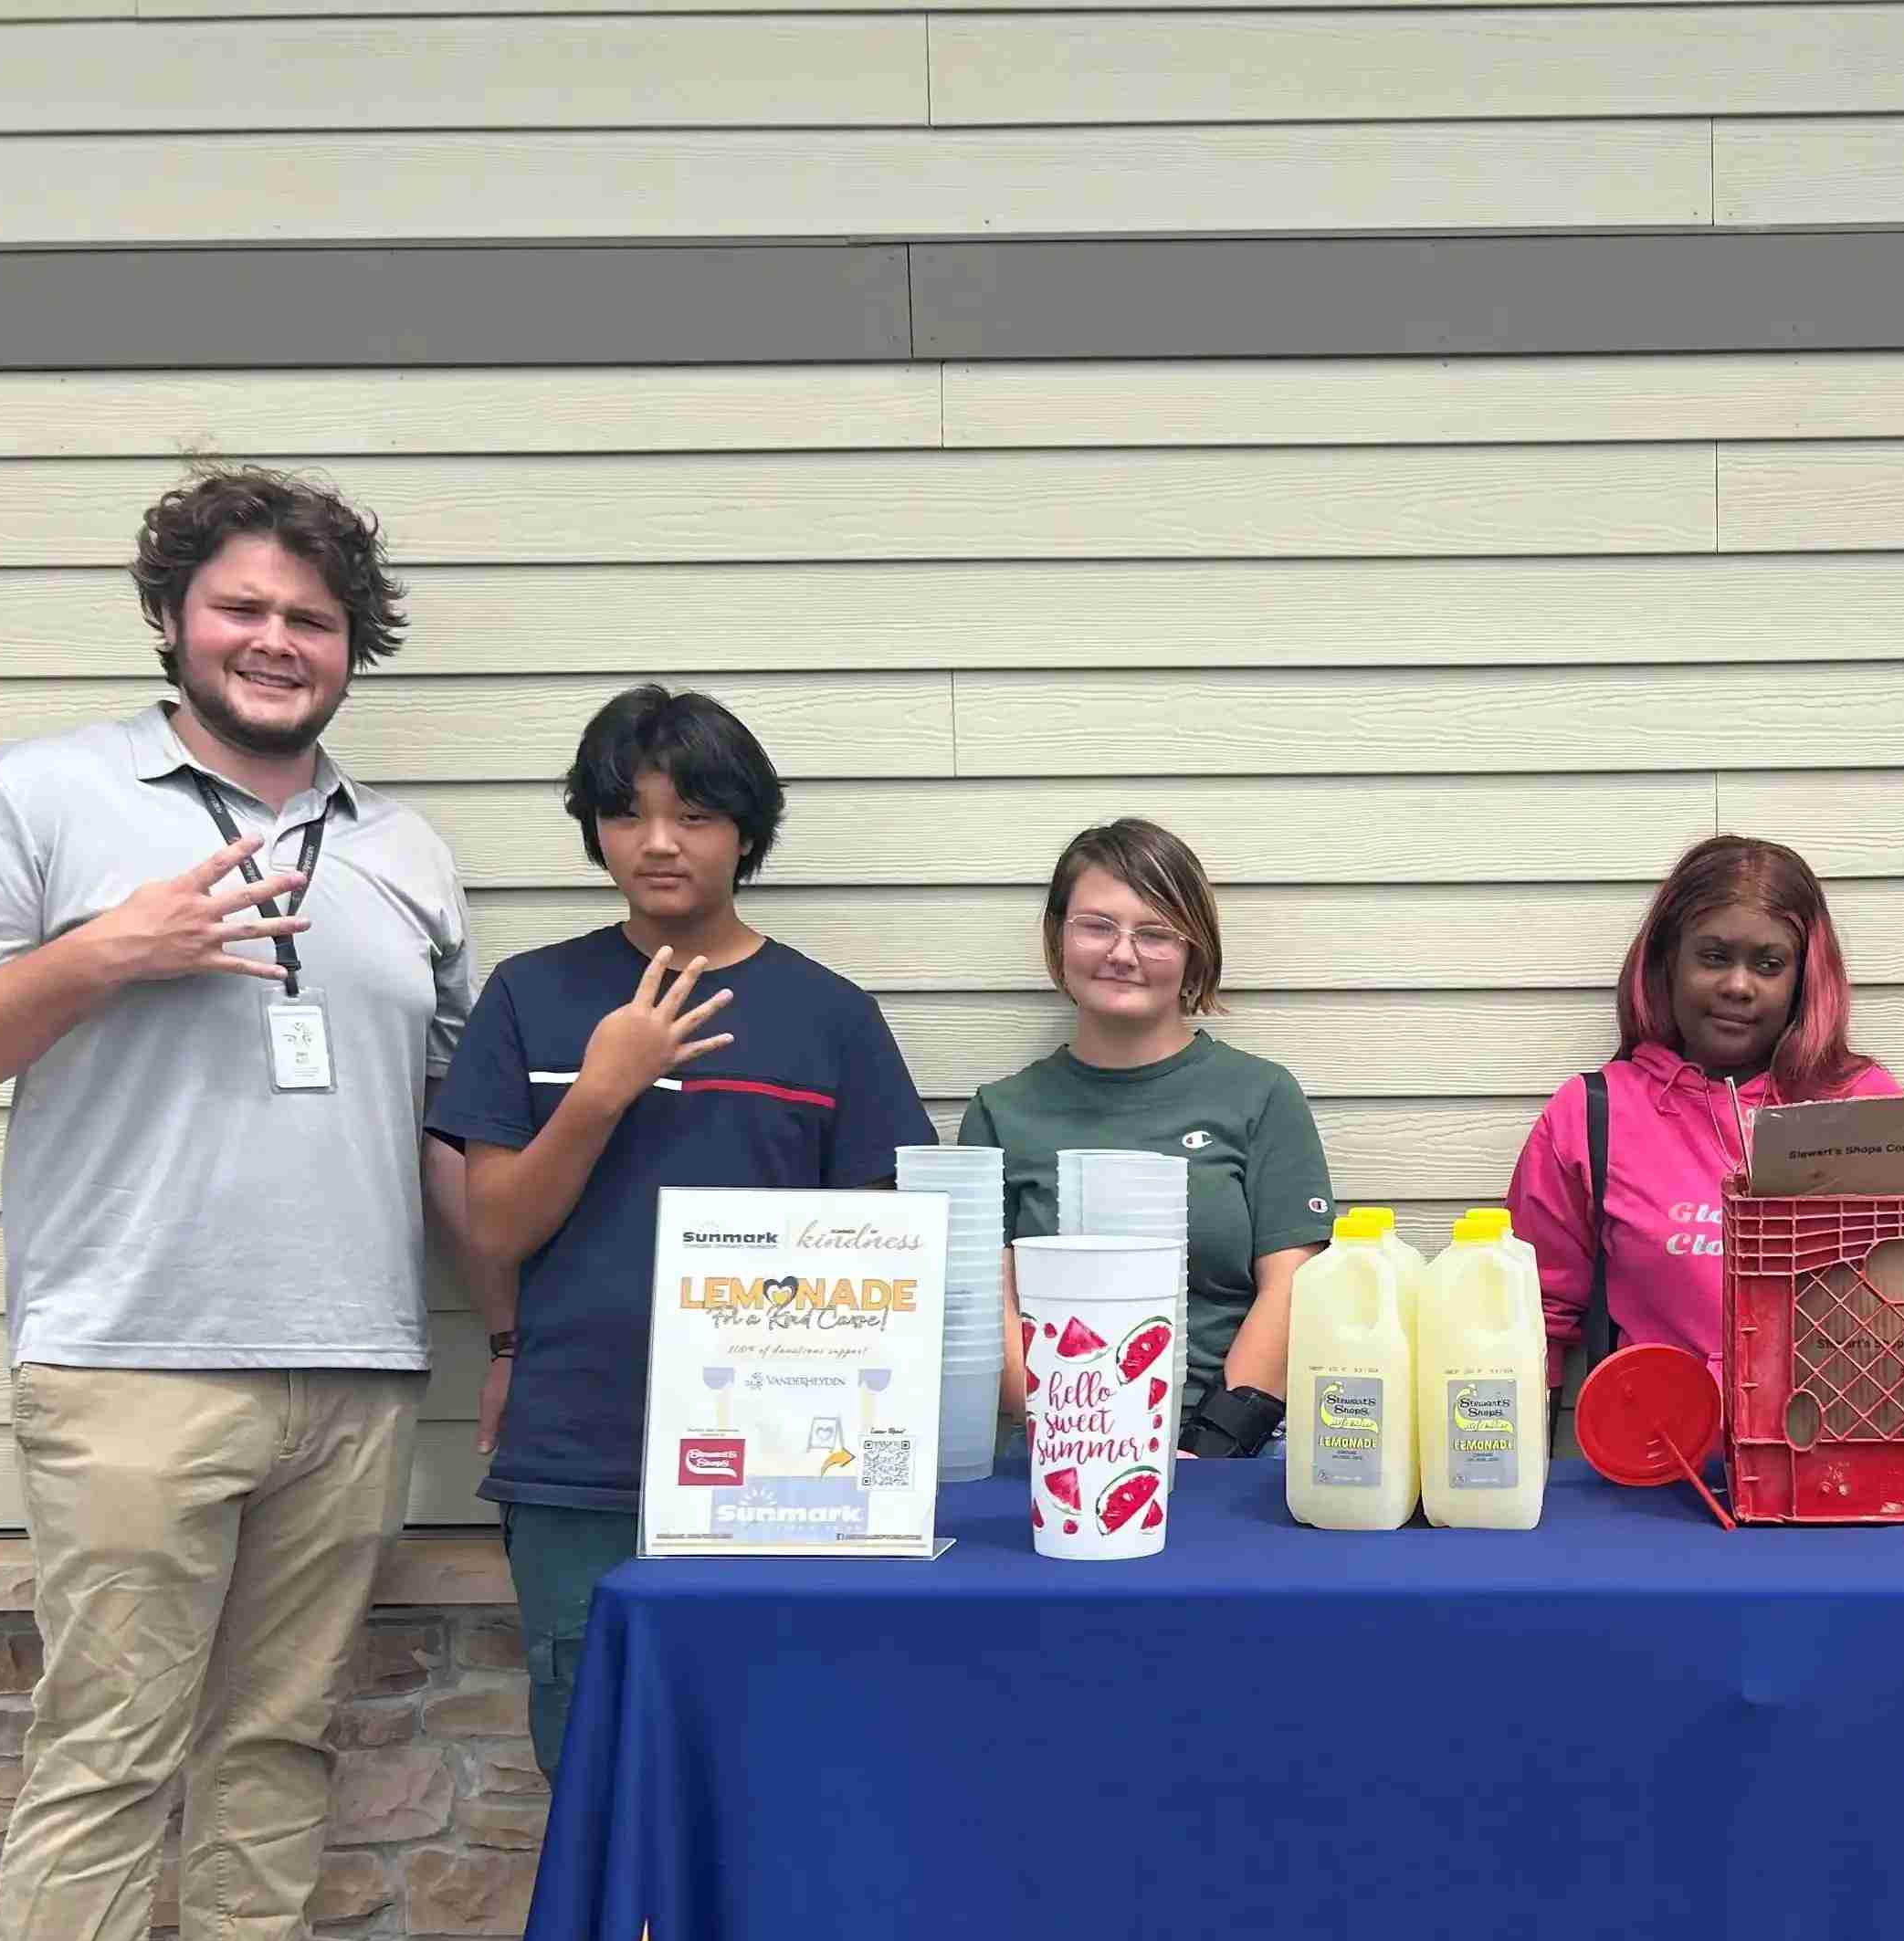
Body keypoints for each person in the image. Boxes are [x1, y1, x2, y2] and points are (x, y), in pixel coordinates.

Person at [0, 466, 501, 1941]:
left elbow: (450, 1129)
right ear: (171, 618)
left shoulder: (407, 853)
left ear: (349, 649)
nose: (276, 642)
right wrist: (97, 957)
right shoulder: (48, 798)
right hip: (131, 1359)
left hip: (355, 1364)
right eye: (242, 609)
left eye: (310, 619)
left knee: (275, 1744)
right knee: (104, 1758)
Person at [428, 686, 931, 1778]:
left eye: (695, 814)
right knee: (595, 1758)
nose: (658, 843)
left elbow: (885, 1260)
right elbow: (497, 1229)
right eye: (627, 813)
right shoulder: (533, 997)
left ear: (747, 831)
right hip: (581, 1458)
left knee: (783, 1755)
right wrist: (602, 1089)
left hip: (791, 1473)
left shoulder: (828, 1015)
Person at [959, 819, 1331, 1458]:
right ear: (1057, 937)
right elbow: (989, 1308)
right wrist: (1083, 1437)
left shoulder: (1261, 1095)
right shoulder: (1000, 1112)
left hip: (1231, 1449)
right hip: (1057, 1445)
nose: (1122, 953)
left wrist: (1211, 1443)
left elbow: (1292, 1287)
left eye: (1155, 933)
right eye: (1097, 925)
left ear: (1195, 952)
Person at [1504, 834, 1900, 1385]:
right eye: (1714, 957)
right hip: (1661, 1457)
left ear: (1802, 980)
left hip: (1832, 1457)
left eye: (1768, 964)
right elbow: (1529, 1320)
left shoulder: (1865, 1106)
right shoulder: (1592, 1115)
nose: (1738, 986)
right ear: (1668, 961)